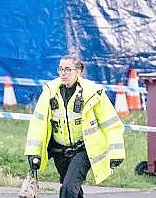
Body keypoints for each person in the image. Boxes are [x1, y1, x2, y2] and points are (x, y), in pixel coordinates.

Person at [24, 55, 125, 198]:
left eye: (68, 69)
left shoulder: (92, 92)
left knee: (68, 189)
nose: (63, 73)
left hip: (83, 150)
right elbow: (37, 124)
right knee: (73, 191)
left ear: (79, 71)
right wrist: (34, 152)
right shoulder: (49, 92)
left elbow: (111, 124)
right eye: (60, 69)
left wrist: (117, 153)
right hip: (59, 151)